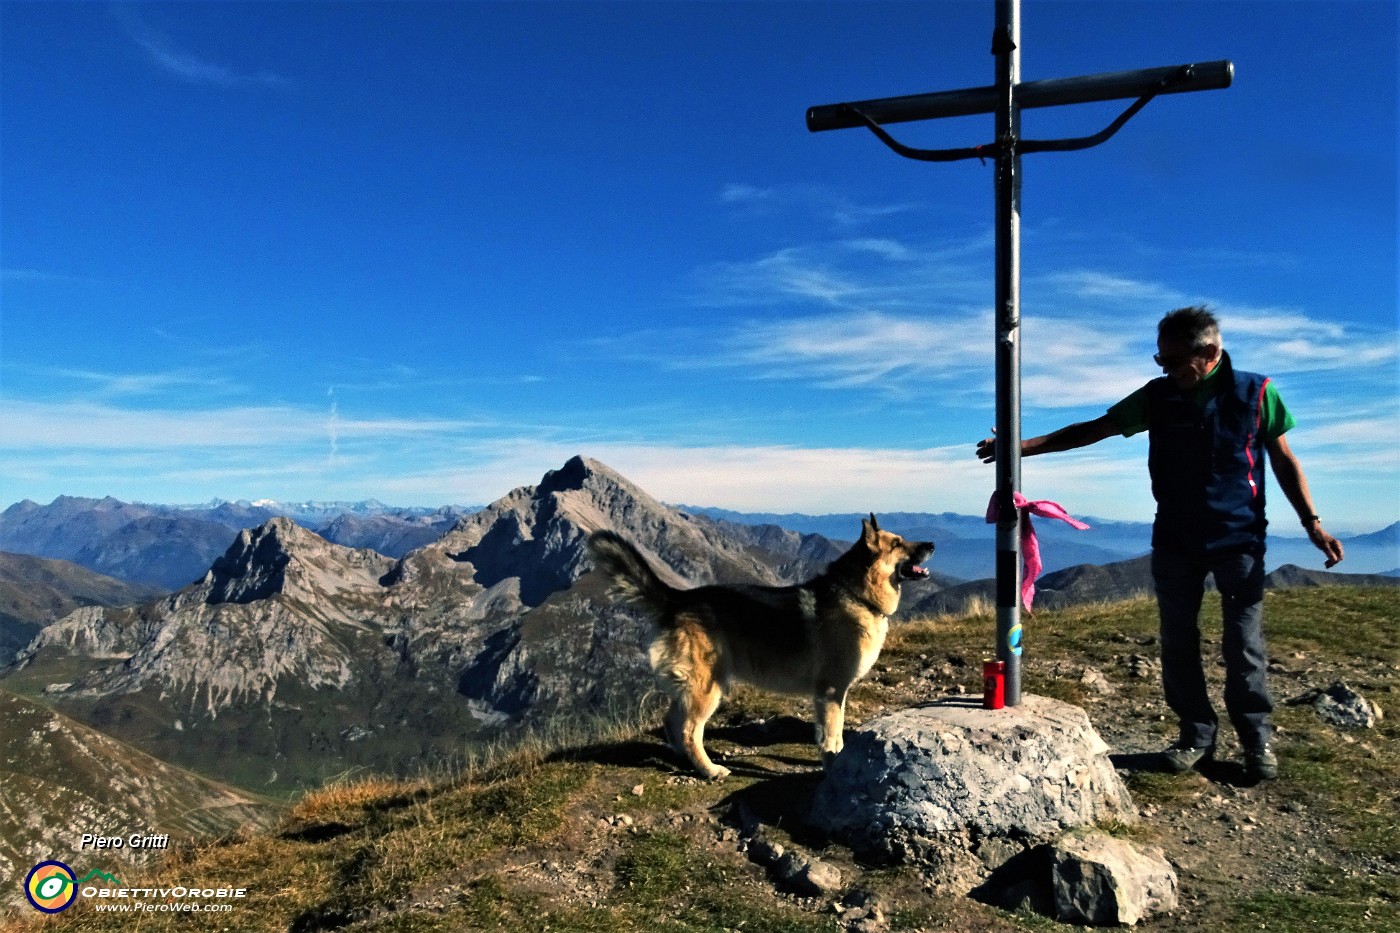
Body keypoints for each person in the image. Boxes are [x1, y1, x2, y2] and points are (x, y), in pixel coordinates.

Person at [976, 306, 1344, 781]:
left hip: (1240, 541)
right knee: (1178, 642)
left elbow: (1284, 461)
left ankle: (1256, 740)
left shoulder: (1258, 393)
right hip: (1175, 539)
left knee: (1243, 645)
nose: (1164, 369)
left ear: (1209, 353)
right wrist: (1022, 445)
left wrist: (1312, 524)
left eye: (1171, 360)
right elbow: (1095, 428)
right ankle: (1196, 736)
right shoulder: (1158, 396)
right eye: (1159, 359)